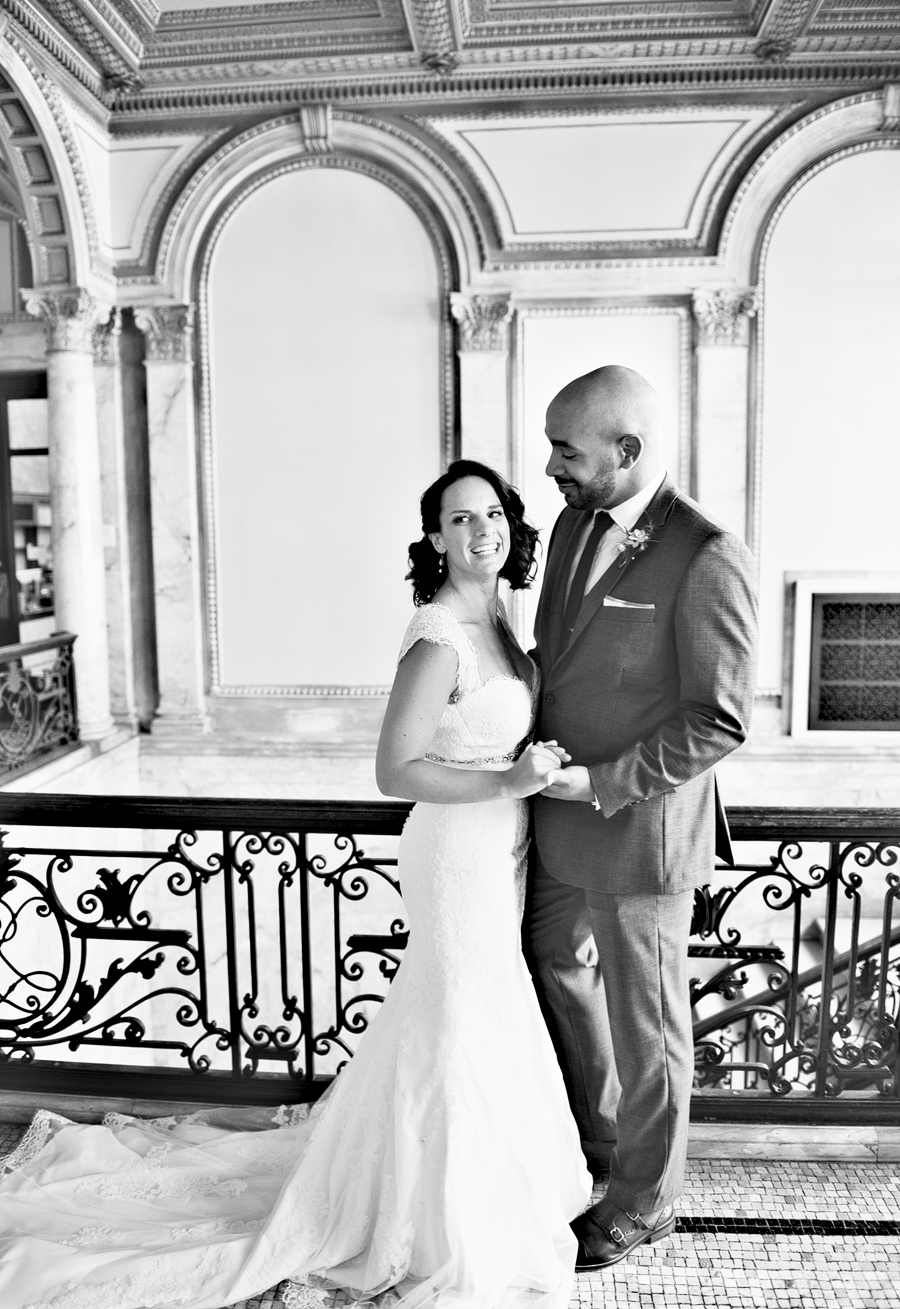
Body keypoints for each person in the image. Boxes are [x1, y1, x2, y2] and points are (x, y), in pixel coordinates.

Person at [0, 459, 591, 1309]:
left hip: (503, 847)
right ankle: (435, 1216)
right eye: (459, 520)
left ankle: (470, 1184)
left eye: (491, 514)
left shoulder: (497, 618)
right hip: (456, 850)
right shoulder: (438, 634)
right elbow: (394, 769)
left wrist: (536, 781)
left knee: (475, 1013)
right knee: (459, 1016)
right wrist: (507, 783)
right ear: (434, 538)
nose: (480, 532)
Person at [528, 365, 758, 1271]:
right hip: (549, 823)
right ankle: (599, 1145)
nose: (552, 467)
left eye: (567, 450)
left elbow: (720, 718)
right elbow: (557, 654)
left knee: (649, 1029)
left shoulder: (706, 553)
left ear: (627, 451)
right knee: (555, 970)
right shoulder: (570, 522)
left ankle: (644, 1202)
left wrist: (599, 782)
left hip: (639, 830)